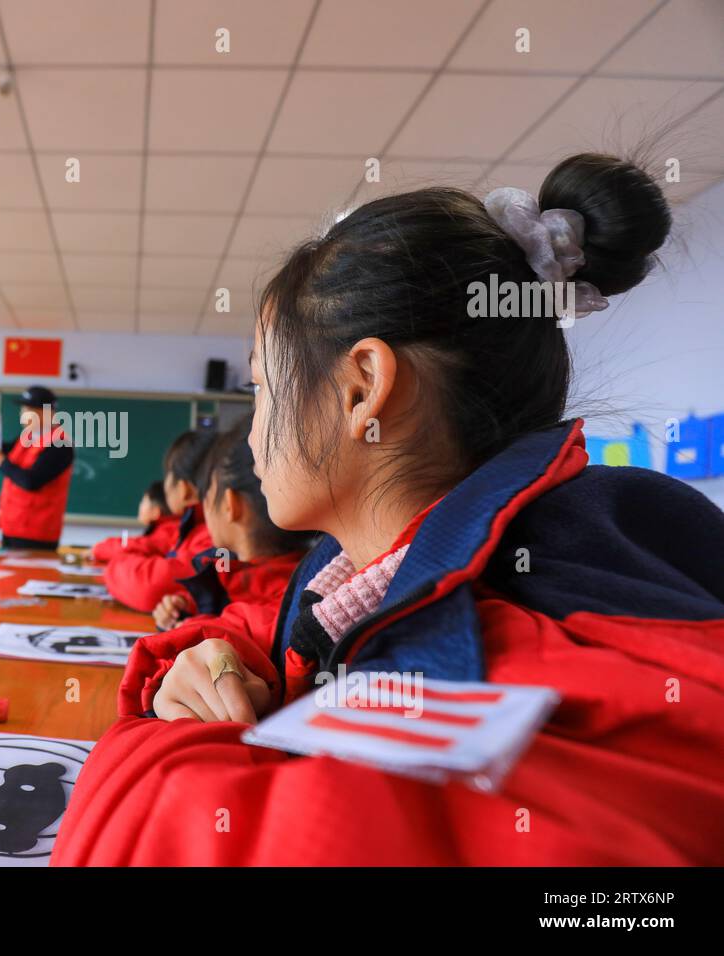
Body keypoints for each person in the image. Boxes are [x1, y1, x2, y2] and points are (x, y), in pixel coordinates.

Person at [52, 153, 724, 866]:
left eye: (261, 389)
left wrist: (160, 741)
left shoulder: (530, 658)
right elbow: (294, 621)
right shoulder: (376, 566)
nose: (250, 434)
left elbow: (157, 831)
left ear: (362, 388)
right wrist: (221, 659)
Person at [152, 417, 317, 632]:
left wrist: (190, 629)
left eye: (208, 492)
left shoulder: (276, 610)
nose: (204, 505)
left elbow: (225, 634)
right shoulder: (234, 569)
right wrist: (188, 605)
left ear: (231, 506)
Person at [101, 428, 216, 611]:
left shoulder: (209, 536)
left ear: (183, 488)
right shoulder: (191, 528)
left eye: (168, 474)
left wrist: (114, 566)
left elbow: (148, 587)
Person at [0, 385, 74, 550]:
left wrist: (1, 462)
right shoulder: (27, 437)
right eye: (23, 409)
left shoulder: (60, 445)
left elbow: (31, 481)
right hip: (11, 528)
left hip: (37, 534)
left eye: (28, 409)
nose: (22, 415)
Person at [90, 480, 175, 564]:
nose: (140, 505)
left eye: (144, 501)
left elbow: (129, 547)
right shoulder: (169, 529)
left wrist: (97, 549)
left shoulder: (167, 534)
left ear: (155, 512)